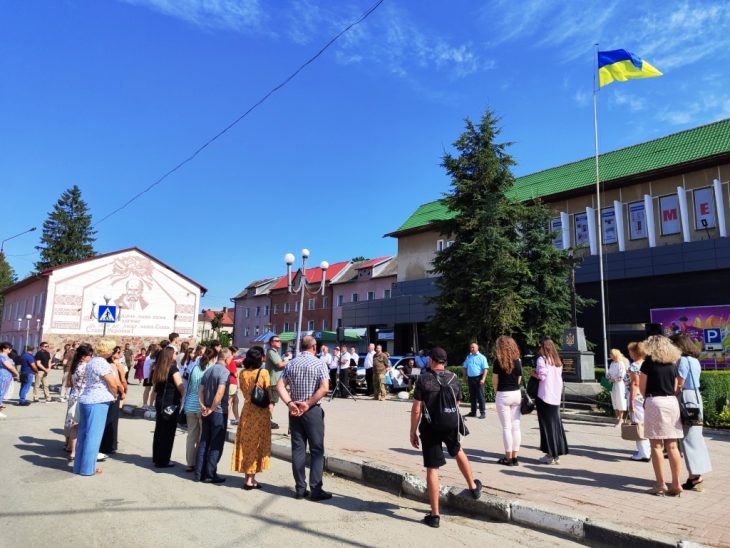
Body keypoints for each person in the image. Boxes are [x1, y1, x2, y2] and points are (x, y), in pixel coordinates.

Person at [410, 346, 482, 528]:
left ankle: (435, 515)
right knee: (457, 451)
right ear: (444, 361)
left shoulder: (423, 379)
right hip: (450, 424)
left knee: (433, 468)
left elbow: (417, 408)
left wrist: (412, 431)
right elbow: (457, 401)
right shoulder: (453, 377)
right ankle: (473, 487)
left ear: (431, 360)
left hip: (430, 427)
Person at [276, 335, 331, 501]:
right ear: (314, 347)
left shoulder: (291, 363)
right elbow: (324, 388)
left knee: (298, 449)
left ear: (301, 347)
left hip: (294, 411)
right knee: (317, 449)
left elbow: (280, 386)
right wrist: (308, 403)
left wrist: (289, 403)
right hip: (311, 409)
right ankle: (316, 489)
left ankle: (300, 488)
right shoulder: (320, 363)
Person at [640, 335, 684, 496]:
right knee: (673, 446)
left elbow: (642, 388)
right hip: (671, 402)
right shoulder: (672, 365)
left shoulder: (647, 364)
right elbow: (675, 387)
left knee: (656, 446)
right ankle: (676, 484)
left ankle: (660, 484)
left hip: (655, 401)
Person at [74, 339, 122, 476]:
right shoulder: (102, 363)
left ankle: (79, 466)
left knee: (83, 435)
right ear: (107, 350)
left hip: (86, 398)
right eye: (111, 349)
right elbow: (112, 383)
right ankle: (88, 468)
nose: (112, 352)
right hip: (98, 401)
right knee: (93, 436)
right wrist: (115, 394)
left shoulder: (92, 361)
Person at [671, 334, 712, 492]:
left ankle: (695, 476)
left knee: (687, 438)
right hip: (695, 397)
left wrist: (670, 395)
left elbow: (680, 383)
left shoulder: (682, 360)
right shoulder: (695, 360)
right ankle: (696, 473)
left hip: (686, 397)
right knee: (696, 436)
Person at [232, 346, 272, 489]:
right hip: (260, 412)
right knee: (257, 443)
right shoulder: (263, 372)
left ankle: (247, 478)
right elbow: (268, 392)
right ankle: (251, 479)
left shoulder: (242, 373)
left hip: (247, 410)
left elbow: (244, 391)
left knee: (247, 443)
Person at [195, 348, 231, 483]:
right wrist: (212, 408)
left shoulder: (208, 370)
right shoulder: (224, 372)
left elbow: (200, 390)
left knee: (204, 441)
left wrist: (203, 405)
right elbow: (220, 392)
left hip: (206, 410)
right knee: (216, 443)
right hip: (218, 412)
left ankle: (199, 473)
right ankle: (210, 474)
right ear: (226, 359)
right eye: (231, 358)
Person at [532, 337, 568, 464]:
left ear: (544, 347)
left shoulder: (542, 359)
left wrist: (533, 374)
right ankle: (556, 453)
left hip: (544, 396)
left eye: (540, 346)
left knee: (546, 427)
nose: (539, 348)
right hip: (555, 396)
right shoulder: (557, 361)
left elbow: (542, 376)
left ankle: (550, 455)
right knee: (555, 426)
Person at [151, 346, 184, 468]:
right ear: (170, 355)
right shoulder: (173, 369)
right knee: (168, 431)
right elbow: (180, 385)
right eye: (175, 353)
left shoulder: (159, 368)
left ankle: (157, 457)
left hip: (160, 402)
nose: (176, 355)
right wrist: (183, 396)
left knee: (160, 429)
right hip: (171, 403)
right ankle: (164, 459)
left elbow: (155, 387)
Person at [493, 335, 523, 466]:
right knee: (516, 426)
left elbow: (495, 380)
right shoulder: (518, 361)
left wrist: (496, 392)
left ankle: (508, 457)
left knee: (506, 427)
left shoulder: (498, 361)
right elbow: (519, 379)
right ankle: (515, 457)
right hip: (516, 394)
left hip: (503, 394)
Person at [183, 347, 214, 472]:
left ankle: (190, 463)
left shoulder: (194, 368)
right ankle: (200, 463)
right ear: (213, 358)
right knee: (203, 436)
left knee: (191, 436)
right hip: (202, 405)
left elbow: (189, 386)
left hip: (190, 404)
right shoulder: (211, 369)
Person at [64, 344, 94, 461]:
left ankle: (69, 447)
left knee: (71, 422)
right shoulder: (86, 367)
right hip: (82, 396)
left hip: (74, 394)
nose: (91, 357)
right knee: (80, 425)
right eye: (90, 355)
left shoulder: (75, 365)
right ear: (83, 356)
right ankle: (77, 450)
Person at [99, 346, 127, 457]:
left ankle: (105, 444)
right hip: (113, 394)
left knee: (106, 419)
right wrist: (122, 392)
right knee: (112, 420)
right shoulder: (112, 365)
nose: (120, 354)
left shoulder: (105, 364)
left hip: (105, 394)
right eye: (118, 352)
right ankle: (109, 445)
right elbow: (118, 382)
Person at [626, 342, 651, 462]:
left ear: (635, 353)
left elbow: (634, 384)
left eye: (630, 351)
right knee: (646, 424)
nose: (629, 353)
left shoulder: (634, 366)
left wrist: (631, 402)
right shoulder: (647, 364)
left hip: (636, 398)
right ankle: (648, 450)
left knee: (638, 425)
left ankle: (643, 453)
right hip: (646, 397)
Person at [265, 335, 289, 429]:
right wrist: (289, 361)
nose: (279, 342)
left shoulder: (275, 352)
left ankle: (267, 420)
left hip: (274, 381)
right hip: (273, 381)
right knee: (272, 402)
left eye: (279, 340)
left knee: (271, 402)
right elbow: (279, 364)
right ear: (272, 343)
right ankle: (267, 422)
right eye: (277, 340)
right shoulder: (271, 352)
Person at [463, 342, 488, 419]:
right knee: (472, 396)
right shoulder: (468, 357)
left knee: (480, 396)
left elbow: (485, 369)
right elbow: (465, 367)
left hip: (479, 378)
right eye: (471, 347)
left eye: (473, 347)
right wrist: (464, 377)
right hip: (470, 379)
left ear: (477, 348)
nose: (472, 349)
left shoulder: (482, 357)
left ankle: (482, 413)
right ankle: (473, 412)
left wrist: (483, 379)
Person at [608, 348, 629, 426]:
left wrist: (613, 380)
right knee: (614, 401)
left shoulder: (620, 363)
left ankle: (621, 419)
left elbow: (621, 375)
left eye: (611, 354)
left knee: (620, 401)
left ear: (615, 355)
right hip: (612, 384)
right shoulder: (612, 363)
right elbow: (609, 373)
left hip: (619, 385)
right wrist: (609, 378)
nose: (610, 355)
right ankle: (617, 418)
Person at [0, 342, 20, 417]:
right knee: (1, 392)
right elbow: (10, 367)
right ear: (4, 349)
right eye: (9, 348)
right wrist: (17, 373)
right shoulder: (3, 357)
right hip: (4, 375)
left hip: (6, 375)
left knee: (2, 392)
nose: (10, 350)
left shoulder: (5, 356)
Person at [226, 345, 241, 426]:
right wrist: (237, 374)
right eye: (237, 352)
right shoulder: (231, 361)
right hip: (231, 383)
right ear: (233, 352)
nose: (238, 354)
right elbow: (235, 374)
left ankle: (237, 418)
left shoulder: (229, 360)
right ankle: (227, 419)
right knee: (230, 402)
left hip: (231, 383)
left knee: (236, 400)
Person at [142, 343, 160, 409]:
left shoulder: (149, 356)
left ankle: (146, 404)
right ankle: (149, 404)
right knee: (152, 390)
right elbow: (151, 368)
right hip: (150, 375)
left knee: (148, 389)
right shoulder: (151, 357)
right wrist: (149, 378)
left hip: (147, 375)